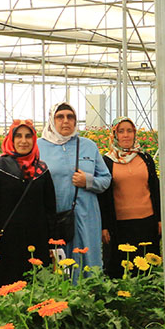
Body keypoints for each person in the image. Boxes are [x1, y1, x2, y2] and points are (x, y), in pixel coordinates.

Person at [0, 120, 57, 299]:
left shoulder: (41, 169)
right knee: (4, 286)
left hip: (36, 240)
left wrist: (52, 242)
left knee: (34, 285)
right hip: (6, 241)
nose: (23, 140)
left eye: (28, 136)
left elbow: (50, 208)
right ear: (11, 139)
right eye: (18, 136)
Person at [38, 103, 111, 278]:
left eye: (70, 117)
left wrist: (88, 181)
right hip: (55, 218)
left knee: (87, 259)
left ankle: (88, 297)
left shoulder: (88, 146)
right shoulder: (39, 147)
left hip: (86, 216)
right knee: (59, 261)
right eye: (60, 117)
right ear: (51, 120)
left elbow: (106, 178)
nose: (65, 121)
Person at [99, 117, 161, 278]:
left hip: (147, 222)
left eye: (129, 131)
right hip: (119, 226)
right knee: (121, 268)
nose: (126, 135)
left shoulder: (145, 158)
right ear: (114, 135)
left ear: (135, 134)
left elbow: (155, 189)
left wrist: (160, 219)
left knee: (147, 267)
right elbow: (103, 197)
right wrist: (104, 226)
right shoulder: (106, 161)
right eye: (121, 131)